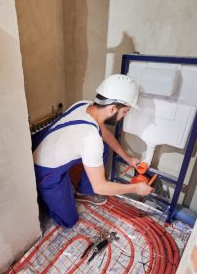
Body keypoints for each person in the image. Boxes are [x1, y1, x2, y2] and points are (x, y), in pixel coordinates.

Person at [32, 74, 154, 228]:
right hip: (45, 171)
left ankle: (84, 192)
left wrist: (128, 158)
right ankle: (44, 192)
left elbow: (106, 135)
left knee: (102, 148)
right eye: (125, 112)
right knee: (69, 221)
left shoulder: (85, 105)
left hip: (39, 145)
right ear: (112, 109)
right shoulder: (91, 139)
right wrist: (135, 188)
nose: (123, 117)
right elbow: (101, 187)